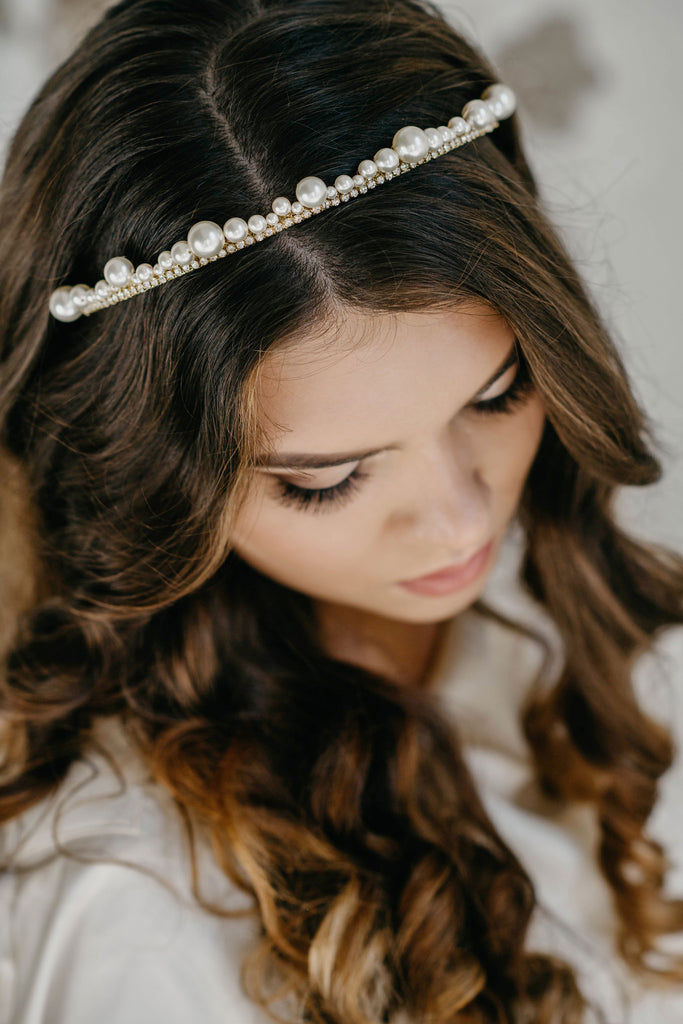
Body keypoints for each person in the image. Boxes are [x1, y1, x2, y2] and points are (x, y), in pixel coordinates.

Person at [0, 0, 682, 1021]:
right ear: (151, 481)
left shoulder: (571, 636)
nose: (460, 523)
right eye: (325, 480)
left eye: (494, 396)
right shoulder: (134, 901)